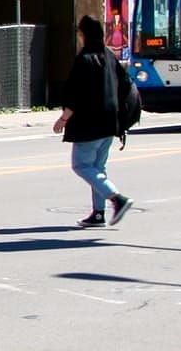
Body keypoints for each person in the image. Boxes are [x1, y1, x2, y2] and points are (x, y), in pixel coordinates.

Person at [54, 15, 135, 228]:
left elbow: (75, 94)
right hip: (110, 122)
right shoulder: (109, 56)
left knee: (81, 165)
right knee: (98, 167)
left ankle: (117, 198)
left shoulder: (85, 59)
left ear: (84, 34)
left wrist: (63, 118)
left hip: (89, 124)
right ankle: (98, 213)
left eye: (79, 32)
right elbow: (125, 85)